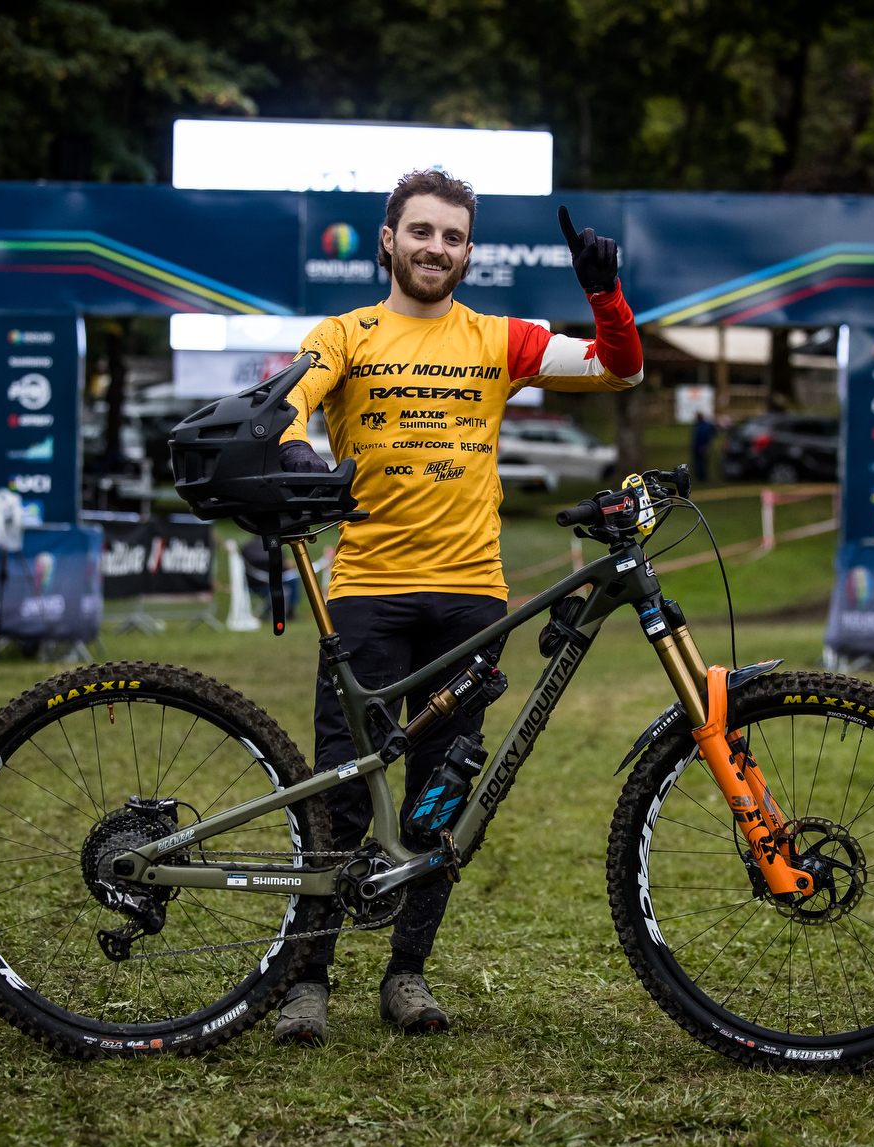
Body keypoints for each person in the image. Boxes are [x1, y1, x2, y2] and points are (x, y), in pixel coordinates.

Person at [269, 169, 643, 1045]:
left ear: (468, 252)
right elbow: (284, 401)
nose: (438, 248)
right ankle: (307, 982)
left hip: (472, 598)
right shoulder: (346, 334)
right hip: (364, 592)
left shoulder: (497, 339)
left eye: (454, 237)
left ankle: (406, 975)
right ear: (388, 240)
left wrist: (605, 292)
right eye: (423, 232)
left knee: (440, 796)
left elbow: (618, 368)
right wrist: (293, 453)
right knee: (342, 796)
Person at [241, 534, 302, 621]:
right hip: (259, 583)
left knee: (293, 579)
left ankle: (289, 611)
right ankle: (276, 611)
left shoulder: (248, 547)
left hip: (269, 580)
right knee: (290, 581)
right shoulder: (251, 548)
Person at [691, 411, 717, 482]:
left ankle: (702, 477)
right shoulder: (699, 425)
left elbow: (707, 437)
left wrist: (706, 446)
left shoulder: (704, 426)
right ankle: (699, 477)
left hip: (702, 447)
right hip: (697, 446)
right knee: (699, 462)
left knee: (702, 463)